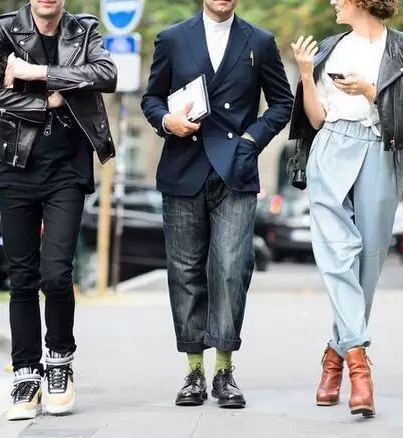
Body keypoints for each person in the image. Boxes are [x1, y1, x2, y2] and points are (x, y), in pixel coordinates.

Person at [287, 0, 403, 417]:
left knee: (368, 263)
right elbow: (316, 119)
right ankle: (359, 365)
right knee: (336, 253)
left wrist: (372, 92)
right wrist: (305, 72)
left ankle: (334, 355)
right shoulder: (330, 47)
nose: (332, 3)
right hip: (330, 148)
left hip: (381, 151)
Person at [141, 0, 293, 409]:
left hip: (235, 171)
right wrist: (166, 121)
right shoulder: (173, 39)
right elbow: (151, 99)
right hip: (182, 167)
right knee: (185, 271)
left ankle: (224, 370)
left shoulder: (260, 41)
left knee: (231, 268)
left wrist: (251, 140)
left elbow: (282, 103)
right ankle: (193, 371)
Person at [0, 0, 117, 420]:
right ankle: (25, 374)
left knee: (56, 274)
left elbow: (106, 75)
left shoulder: (83, 30)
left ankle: (59, 363)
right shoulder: (5, 29)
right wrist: (44, 104)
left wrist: (37, 73)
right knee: (21, 278)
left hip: (68, 171)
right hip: (16, 166)